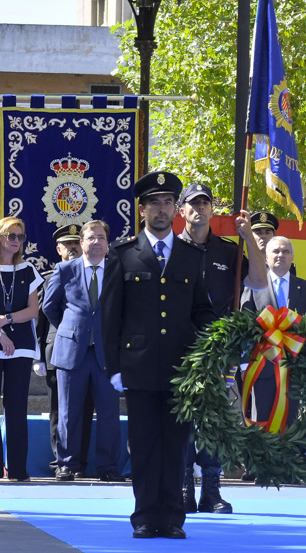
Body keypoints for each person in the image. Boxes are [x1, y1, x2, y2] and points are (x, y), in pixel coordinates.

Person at [102, 170, 218, 540]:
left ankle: (171, 517)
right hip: (138, 367)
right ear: (142, 209)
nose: (162, 209)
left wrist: (217, 338)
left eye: (168, 202)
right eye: (155, 202)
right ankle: (145, 516)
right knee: (146, 444)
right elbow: (109, 315)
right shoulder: (123, 254)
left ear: (176, 209)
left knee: (175, 444)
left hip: (181, 368)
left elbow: (200, 309)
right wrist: (114, 367)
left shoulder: (190, 255)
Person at [176, 182, 266, 514]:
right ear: (181, 210)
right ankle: (184, 486)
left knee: (214, 420)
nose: (199, 208)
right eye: (193, 203)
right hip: (181, 349)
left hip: (219, 351)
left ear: (213, 209)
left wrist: (250, 241)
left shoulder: (228, 252)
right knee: (184, 421)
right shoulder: (171, 249)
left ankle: (211, 489)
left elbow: (258, 281)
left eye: (205, 203)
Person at [42, 220, 125, 483]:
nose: (96, 242)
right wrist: (71, 329)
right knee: (68, 413)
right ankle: (66, 464)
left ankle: (108, 467)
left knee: (109, 414)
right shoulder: (65, 269)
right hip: (72, 351)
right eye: (91, 238)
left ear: (107, 243)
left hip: (106, 355)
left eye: (101, 238)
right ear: (81, 243)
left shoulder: (117, 270)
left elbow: (127, 308)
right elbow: (49, 306)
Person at [0, 217, 44, 482]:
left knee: (16, 407)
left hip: (21, 345)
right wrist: (0, 332)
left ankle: (18, 470)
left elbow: (33, 311)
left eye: (20, 236)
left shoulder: (28, 270)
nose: (16, 241)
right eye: (11, 235)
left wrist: (7, 319)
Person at [36, 224, 95, 479]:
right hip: (57, 349)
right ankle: (59, 461)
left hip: (89, 350)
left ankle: (79, 462)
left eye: (75, 244)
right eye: (66, 245)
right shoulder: (51, 277)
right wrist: (38, 354)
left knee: (85, 408)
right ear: (58, 249)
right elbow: (40, 318)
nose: (71, 249)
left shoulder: (92, 274)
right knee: (59, 410)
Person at [240, 235, 306, 427]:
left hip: (294, 368)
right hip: (262, 367)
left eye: (285, 251)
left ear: (292, 258)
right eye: (275, 251)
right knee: (262, 423)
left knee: (289, 424)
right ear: (266, 257)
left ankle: (288, 458)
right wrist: (243, 364)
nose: (280, 255)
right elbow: (244, 326)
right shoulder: (253, 286)